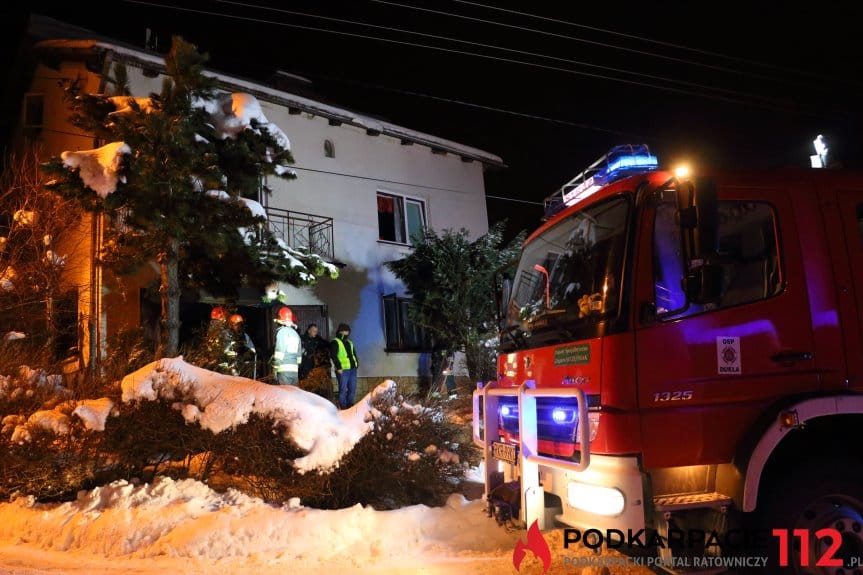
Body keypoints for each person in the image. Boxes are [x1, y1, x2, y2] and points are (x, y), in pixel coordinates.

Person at [299, 323, 334, 401]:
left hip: (315, 368)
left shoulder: (318, 339)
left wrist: (333, 345)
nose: (315, 332)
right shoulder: (302, 339)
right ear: (309, 331)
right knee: (305, 385)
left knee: (315, 387)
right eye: (313, 331)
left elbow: (327, 345)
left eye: (316, 331)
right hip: (305, 367)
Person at [329, 322, 358, 408]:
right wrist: (338, 367)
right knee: (343, 389)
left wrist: (357, 364)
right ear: (340, 331)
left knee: (352, 388)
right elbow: (333, 355)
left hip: (352, 369)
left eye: (348, 331)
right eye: (345, 331)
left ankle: (350, 405)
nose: (347, 333)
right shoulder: (335, 342)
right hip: (342, 370)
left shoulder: (349, 342)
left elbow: (354, 354)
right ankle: (343, 407)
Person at [272, 306, 302, 386]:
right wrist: (296, 366)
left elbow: (279, 352)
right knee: (294, 395)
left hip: (284, 370)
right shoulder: (295, 334)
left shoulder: (282, 332)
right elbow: (299, 354)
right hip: (294, 371)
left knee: (285, 395)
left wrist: (275, 368)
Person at [227, 313, 257, 379]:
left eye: (239, 324)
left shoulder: (245, 336)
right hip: (232, 366)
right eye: (236, 324)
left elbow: (252, 351)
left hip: (243, 366)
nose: (238, 327)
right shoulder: (228, 336)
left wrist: (244, 356)